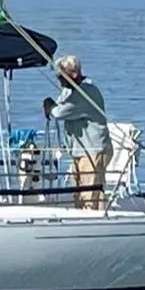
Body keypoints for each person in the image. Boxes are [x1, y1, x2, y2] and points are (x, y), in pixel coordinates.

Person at [44, 55, 111, 209]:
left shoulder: (87, 92)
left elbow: (61, 112)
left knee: (90, 195)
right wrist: (51, 105)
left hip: (93, 151)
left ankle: (94, 224)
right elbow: (60, 104)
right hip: (79, 151)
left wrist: (50, 107)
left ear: (73, 74)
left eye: (61, 76)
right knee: (78, 194)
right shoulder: (69, 90)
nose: (59, 80)